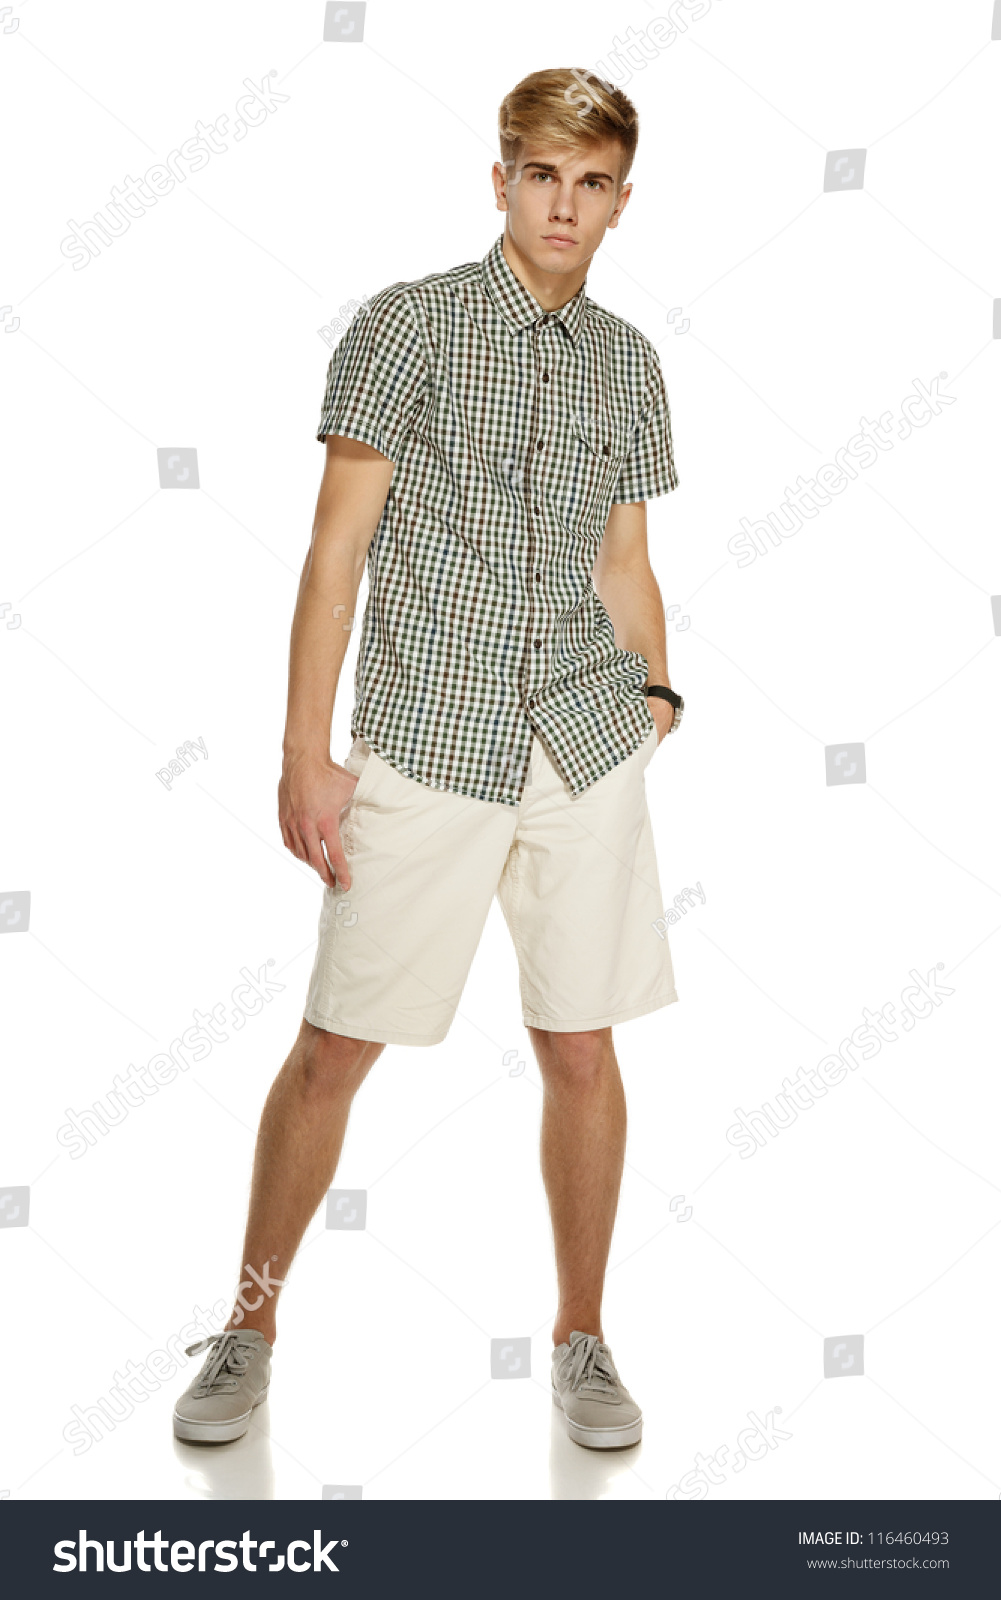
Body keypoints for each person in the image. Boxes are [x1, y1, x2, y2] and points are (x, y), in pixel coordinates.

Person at [173, 65, 684, 1455]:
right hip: (426, 738)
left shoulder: (630, 362)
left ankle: (582, 1338)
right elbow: (334, 549)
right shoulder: (407, 328)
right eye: (540, 174)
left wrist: (658, 694)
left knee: (580, 1046)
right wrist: (304, 754)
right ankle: (249, 1325)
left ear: (619, 201)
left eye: (589, 183)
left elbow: (625, 556)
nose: (561, 204)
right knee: (336, 1046)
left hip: (580, 742)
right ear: (501, 177)